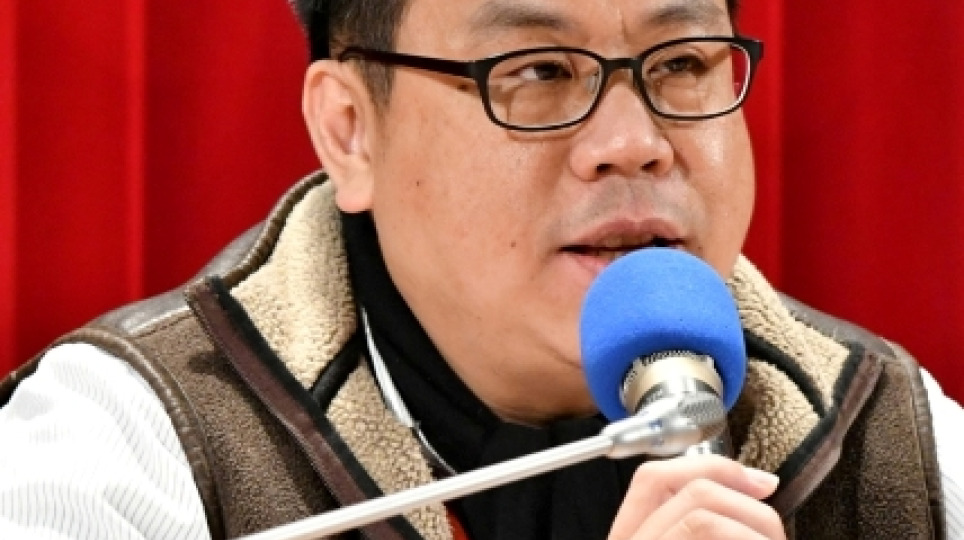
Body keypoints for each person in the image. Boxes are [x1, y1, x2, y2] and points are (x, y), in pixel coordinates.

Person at [1, 0, 962, 538]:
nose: (633, 143)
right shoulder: (126, 448)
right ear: (350, 130)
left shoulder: (897, 443)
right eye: (538, 72)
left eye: (681, 64)